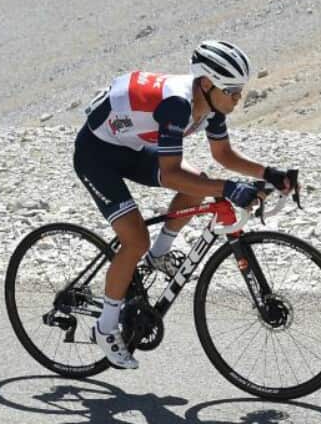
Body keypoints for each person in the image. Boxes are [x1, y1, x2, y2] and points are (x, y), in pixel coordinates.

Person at [74, 39, 297, 369]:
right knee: (135, 239)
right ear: (207, 84)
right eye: (232, 89)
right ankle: (105, 327)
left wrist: (269, 173)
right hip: (96, 155)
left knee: (199, 186)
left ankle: (159, 255)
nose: (238, 97)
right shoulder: (177, 105)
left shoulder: (210, 103)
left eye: (240, 89)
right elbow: (171, 173)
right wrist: (230, 188)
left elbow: (223, 154)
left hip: (130, 145)